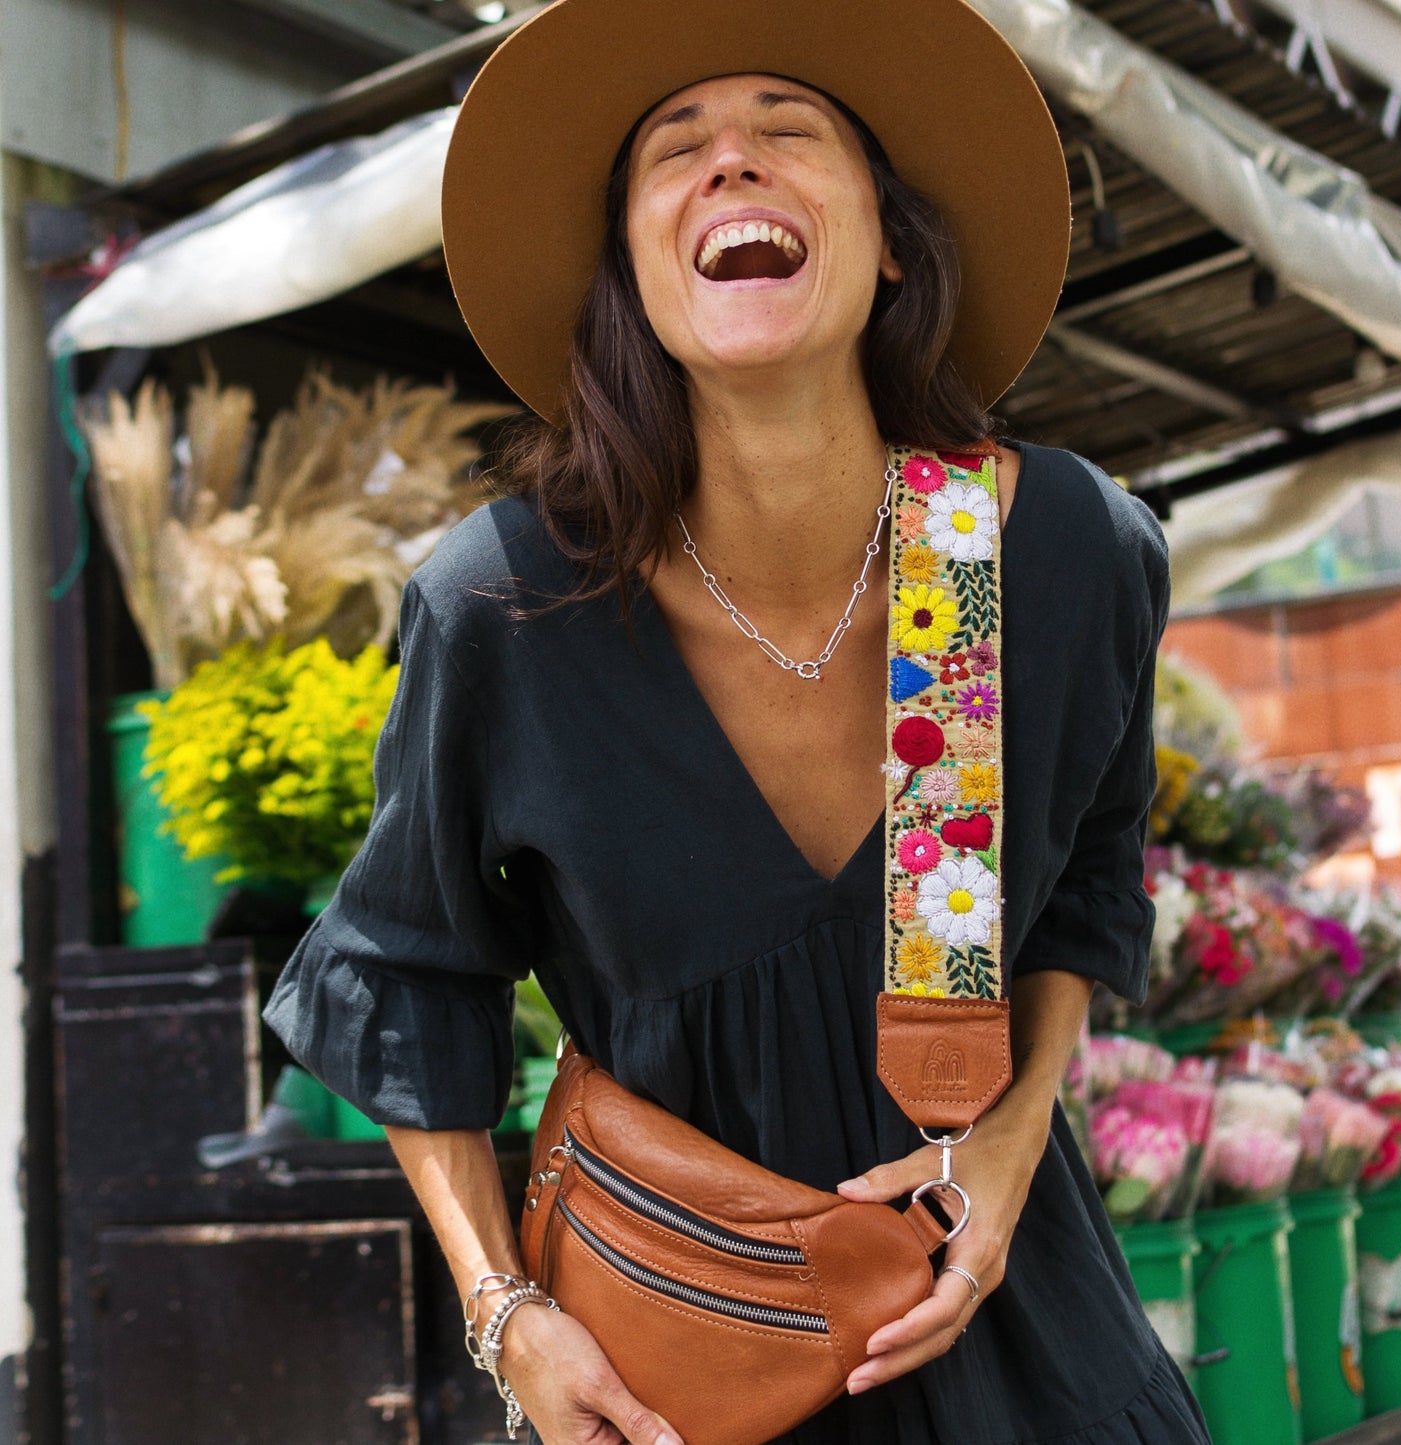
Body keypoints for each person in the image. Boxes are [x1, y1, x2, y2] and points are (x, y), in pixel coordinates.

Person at [263, 1, 1214, 1441]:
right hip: (681, 1382)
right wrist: (504, 1313)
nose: (730, 165)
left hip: (1027, 1354)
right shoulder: (509, 606)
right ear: (630, 270)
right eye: (675, 150)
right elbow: (405, 975)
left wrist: (1011, 1143)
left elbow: (1089, 869)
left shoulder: (1055, 553)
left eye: (788, 131)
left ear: (889, 238)